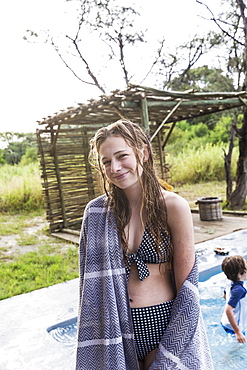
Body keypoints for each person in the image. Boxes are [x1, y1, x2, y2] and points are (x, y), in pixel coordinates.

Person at [76, 119, 213, 369]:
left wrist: (179, 336)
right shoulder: (97, 212)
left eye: (122, 156)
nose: (115, 167)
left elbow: (187, 288)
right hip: (116, 325)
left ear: (143, 152)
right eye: (106, 161)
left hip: (161, 322)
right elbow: (89, 283)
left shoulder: (173, 207)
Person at [221, 255, 247, 343]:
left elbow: (224, 295)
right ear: (240, 273)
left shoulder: (229, 281)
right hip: (234, 327)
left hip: (225, 321)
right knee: (237, 350)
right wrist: (238, 332)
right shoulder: (240, 290)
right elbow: (228, 310)